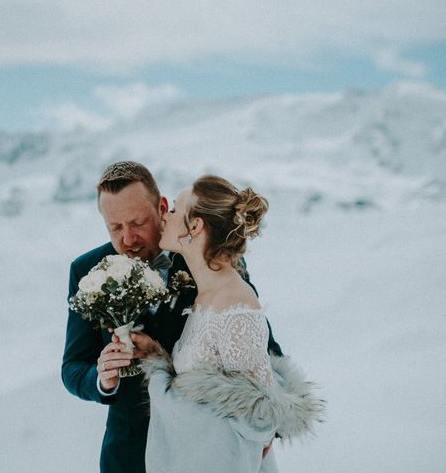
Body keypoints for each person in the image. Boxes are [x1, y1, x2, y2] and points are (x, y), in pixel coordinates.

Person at [61, 162, 283, 473]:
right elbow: (72, 366)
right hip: (130, 453)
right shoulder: (87, 271)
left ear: (162, 209)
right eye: (114, 227)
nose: (127, 238)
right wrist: (102, 380)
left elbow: (260, 342)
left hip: (209, 453)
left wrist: (268, 427)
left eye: (138, 222)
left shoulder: (207, 257)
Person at [135, 175, 325, 473]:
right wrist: (156, 354)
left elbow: (258, 417)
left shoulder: (235, 305)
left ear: (195, 226)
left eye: (174, 209)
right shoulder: (206, 294)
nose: (166, 216)